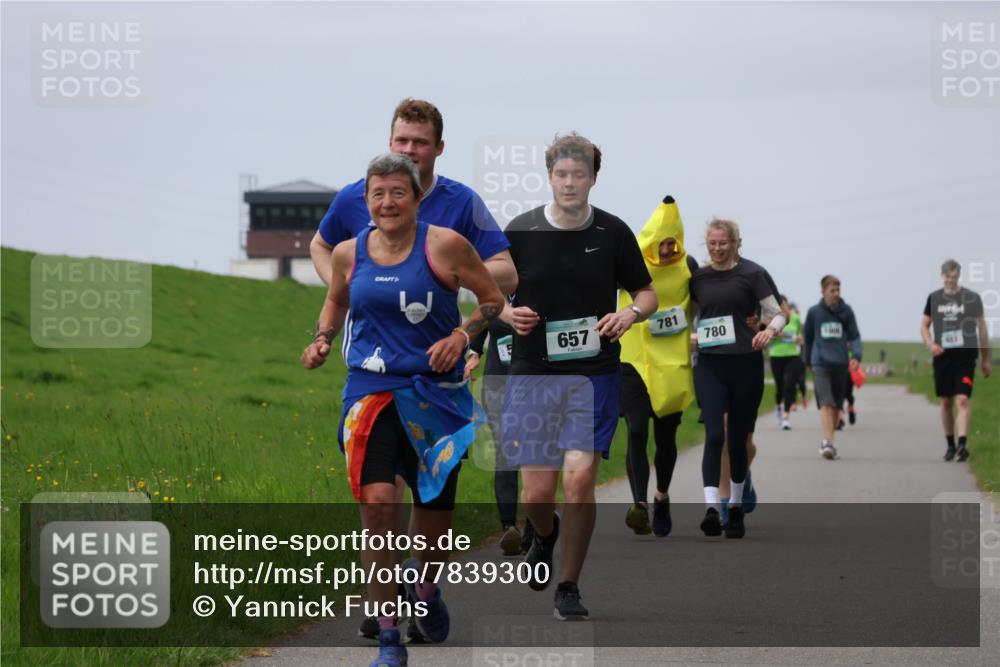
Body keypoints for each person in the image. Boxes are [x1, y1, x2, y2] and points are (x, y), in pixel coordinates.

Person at [308, 98, 516, 642]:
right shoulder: (354, 218)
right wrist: (330, 327)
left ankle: (423, 588)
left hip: (436, 389)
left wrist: (461, 333)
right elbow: (330, 263)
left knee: (432, 508)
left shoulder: (455, 221)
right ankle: (387, 627)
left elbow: (500, 282)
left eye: (418, 144)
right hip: (371, 386)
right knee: (377, 503)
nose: (386, 200)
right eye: (401, 141)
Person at [500, 133, 656, 620]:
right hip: (533, 372)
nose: (570, 183)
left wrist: (629, 315)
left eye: (579, 174)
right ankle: (544, 535)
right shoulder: (521, 231)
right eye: (561, 174)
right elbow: (490, 293)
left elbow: (647, 293)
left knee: (582, 478)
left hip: (593, 372)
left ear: (593, 178)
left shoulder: (613, 233)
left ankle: (568, 584)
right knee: (538, 494)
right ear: (549, 177)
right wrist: (507, 317)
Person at [689, 219, 785, 539]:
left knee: (739, 440)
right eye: (712, 244)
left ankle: (737, 506)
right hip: (710, 366)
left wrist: (768, 330)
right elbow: (687, 312)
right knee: (716, 434)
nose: (717, 249)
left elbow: (778, 312)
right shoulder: (698, 277)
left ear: (735, 243)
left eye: (723, 243)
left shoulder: (752, 274)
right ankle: (712, 508)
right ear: (707, 244)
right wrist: (690, 334)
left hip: (745, 364)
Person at [618, 196, 697, 537]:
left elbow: (711, 299)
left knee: (666, 438)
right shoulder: (630, 263)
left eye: (672, 243)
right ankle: (639, 504)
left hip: (670, 365)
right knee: (636, 430)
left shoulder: (688, 266)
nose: (666, 250)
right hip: (632, 361)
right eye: (661, 243)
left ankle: (661, 495)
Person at [464, 316, 526, 555]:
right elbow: (483, 316)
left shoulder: (537, 287)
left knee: (533, 453)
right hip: (497, 382)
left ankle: (535, 527)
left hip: (535, 381)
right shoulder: (495, 291)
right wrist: (474, 353)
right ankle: (509, 528)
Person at [920, 258, 992, 462]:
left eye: (955, 277)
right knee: (945, 402)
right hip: (943, 356)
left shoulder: (971, 298)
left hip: (965, 355)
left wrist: (986, 358)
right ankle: (950, 444)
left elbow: (983, 329)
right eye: (948, 277)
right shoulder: (934, 299)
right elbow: (924, 325)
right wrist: (930, 344)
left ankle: (962, 445)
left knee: (962, 399)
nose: (951, 281)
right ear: (942, 276)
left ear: (958, 276)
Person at [803, 275, 862, 460]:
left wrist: (856, 357)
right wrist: (807, 361)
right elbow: (808, 339)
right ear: (823, 291)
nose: (836, 294)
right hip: (820, 363)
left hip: (841, 364)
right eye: (832, 290)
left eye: (838, 290)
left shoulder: (847, 312)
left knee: (837, 405)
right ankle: (828, 442)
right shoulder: (814, 313)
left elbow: (855, 337)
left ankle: (830, 439)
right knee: (826, 403)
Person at [769, 294, 804, 430]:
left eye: (785, 304)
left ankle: (786, 416)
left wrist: (799, 340)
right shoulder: (772, 319)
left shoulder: (794, 318)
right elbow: (768, 335)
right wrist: (782, 335)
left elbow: (799, 337)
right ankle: (778, 406)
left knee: (789, 386)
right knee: (780, 387)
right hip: (776, 355)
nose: (783, 307)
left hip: (792, 355)